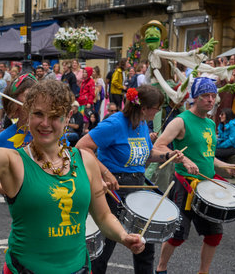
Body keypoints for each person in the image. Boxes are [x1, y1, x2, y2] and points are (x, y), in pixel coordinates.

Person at [0, 78, 146, 273]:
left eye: (55, 115)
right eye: (38, 114)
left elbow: (104, 216)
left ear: (68, 116)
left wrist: (123, 236)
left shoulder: (85, 161)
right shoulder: (13, 162)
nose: (45, 123)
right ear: (27, 113)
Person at [76, 85, 185, 274]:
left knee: (144, 247)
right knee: (104, 250)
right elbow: (81, 147)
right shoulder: (114, 123)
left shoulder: (142, 123)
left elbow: (145, 154)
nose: (158, 112)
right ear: (144, 108)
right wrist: (104, 173)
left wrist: (167, 156)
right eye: (156, 108)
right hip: (113, 189)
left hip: (137, 187)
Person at [153, 77, 235, 274]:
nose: (210, 100)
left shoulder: (210, 123)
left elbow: (207, 157)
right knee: (177, 235)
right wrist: (183, 159)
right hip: (184, 187)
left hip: (208, 188)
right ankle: (161, 269)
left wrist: (225, 166)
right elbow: (159, 146)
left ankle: (203, 272)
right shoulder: (180, 121)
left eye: (213, 96)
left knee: (213, 236)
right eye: (205, 96)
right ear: (195, 98)